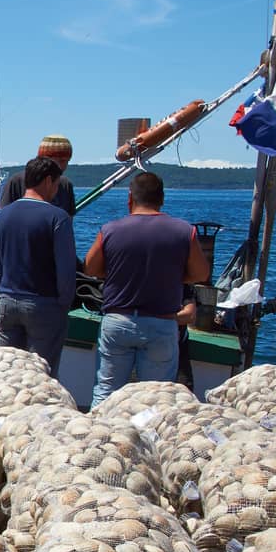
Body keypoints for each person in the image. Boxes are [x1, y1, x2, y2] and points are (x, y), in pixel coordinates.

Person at [84, 171, 210, 406]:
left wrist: (114, 272)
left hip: (118, 320)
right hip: (161, 323)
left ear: (130, 199)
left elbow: (90, 268)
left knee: (106, 391)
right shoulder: (184, 231)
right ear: (162, 199)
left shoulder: (110, 229)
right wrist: (173, 275)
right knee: (155, 399)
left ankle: (97, 439)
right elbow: (201, 274)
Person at [0, 156, 77, 375]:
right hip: (44, 305)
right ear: (48, 181)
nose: (57, 191)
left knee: (7, 373)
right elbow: (66, 271)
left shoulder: (2, 216)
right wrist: (63, 304)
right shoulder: (58, 218)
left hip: (7, 302)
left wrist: (5, 290)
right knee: (40, 377)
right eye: (57, 185)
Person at [0, 135, 77, 217]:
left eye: (67, 161)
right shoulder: (16, 181)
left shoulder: (66, 185)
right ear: (44, 159)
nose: (63, 166)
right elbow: (3, 217)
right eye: (61, 161)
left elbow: (68, 220)